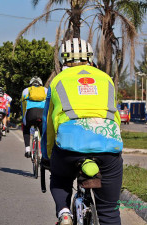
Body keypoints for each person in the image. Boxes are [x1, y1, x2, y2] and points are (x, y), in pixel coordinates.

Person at [40, 38, 123, 225]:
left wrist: (48, 155)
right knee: (109, 211)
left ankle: (64, 213)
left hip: (69, 146)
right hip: (108, 145)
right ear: (90, 58)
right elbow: (114, 116)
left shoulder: (57, 82)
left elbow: (48, 124)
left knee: (60, 178)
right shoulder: (106, 79)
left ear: (62, 60)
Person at [21, 76, 48, 158]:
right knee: (44, 132)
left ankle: (27, 150)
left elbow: (23, 106)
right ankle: (45, 152)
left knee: (26, 128)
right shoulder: (45, 90)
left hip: (30, 113)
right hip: (42, 113)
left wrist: (24, 120)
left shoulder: (26, 90)